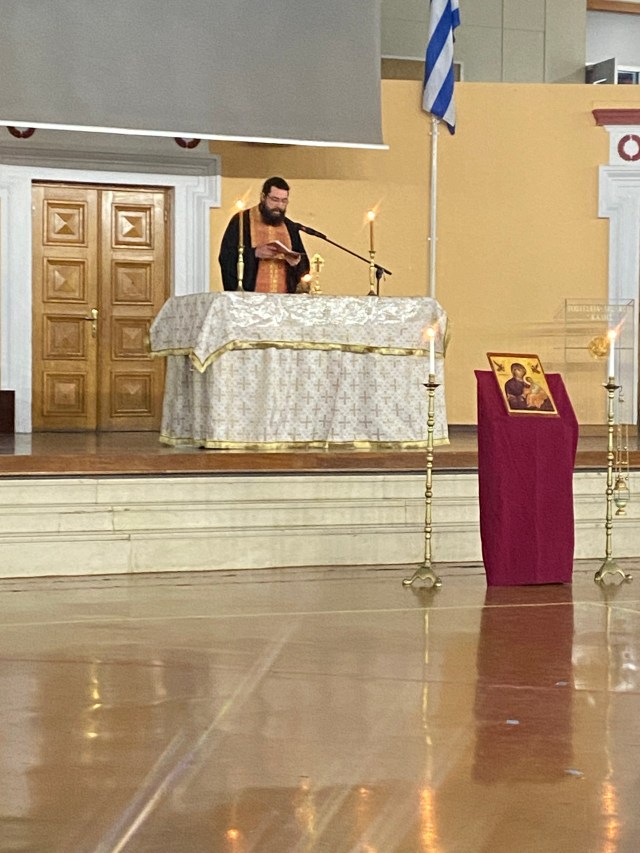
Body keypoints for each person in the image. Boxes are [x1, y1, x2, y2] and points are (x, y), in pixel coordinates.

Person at [218, 176, 310, 293]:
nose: (279, 205)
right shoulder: (242, 221)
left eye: (284, 201)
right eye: (274, 199)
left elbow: (304, 266)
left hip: (283, 298)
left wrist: (295, 261)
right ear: (263, 197)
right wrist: (254, 253)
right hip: (250, 297)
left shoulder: (290, 227)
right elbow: (226, 257)